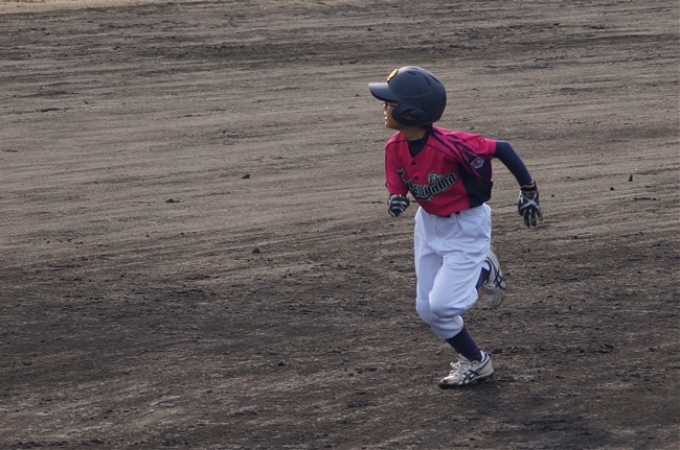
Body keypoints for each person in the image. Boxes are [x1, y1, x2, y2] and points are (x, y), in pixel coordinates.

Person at [368, 66, 543, 388]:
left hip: (466, 226)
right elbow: (397, 180)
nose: (384, 107)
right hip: (427, 226)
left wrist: (528, 190)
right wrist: (396, 197)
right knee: (427, 310)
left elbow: (501, 148)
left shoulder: (453, 145)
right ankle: (477, 362)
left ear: (411, 112)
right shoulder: (394, 146)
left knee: (445, 304)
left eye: (390, 103)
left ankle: (486, 269)